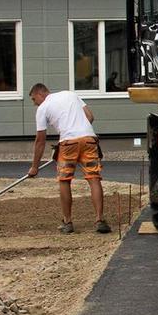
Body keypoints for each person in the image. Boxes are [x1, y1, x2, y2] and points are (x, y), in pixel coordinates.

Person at [29, 82, 109, 234]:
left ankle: (67, 222)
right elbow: (90, 117)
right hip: (89, 139)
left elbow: (40, 140)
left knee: (64, 180)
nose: (34, 103)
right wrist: (80, 131)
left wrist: (34, 166)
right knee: (94, 178)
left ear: (40, 94)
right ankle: (99, 220)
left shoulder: (43, 108)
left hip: (68, 143)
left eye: (34, 99)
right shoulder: (70, 94)